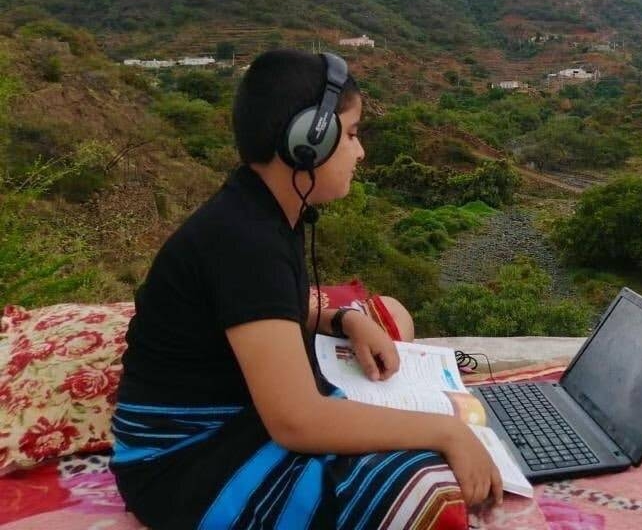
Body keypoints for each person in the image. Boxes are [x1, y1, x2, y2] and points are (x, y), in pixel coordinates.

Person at [111, 49, 501, 530]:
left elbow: (260, 308)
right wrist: (448, 432)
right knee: (424, 487)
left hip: (228, 423)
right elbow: (295, 420)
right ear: (307, 143)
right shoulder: (246, 239)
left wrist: (344, 318)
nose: (360, 152)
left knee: (400, 433)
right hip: (182, 460)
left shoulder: (261, 211)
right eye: (353, 134)